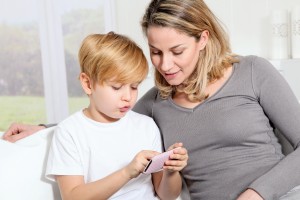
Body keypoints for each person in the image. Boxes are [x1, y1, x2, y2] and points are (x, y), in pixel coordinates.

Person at [3, 0, 300, 199]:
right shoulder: (157, 102)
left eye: (177, 51)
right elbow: (104, 114)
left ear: (203, 39)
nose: (165, 65)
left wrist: (256, 194)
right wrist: (44, 129)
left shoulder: (252, 71)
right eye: (156, 52)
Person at [45, 32, 188, 200]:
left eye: (134, 87)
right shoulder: (70, 132)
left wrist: (170, 171)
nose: (128, 96)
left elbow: (167, 196)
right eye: (116, 87)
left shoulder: (146, 126)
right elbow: (72, 197)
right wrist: (127, 172)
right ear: (88, 83)